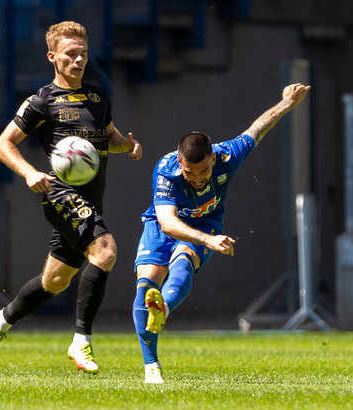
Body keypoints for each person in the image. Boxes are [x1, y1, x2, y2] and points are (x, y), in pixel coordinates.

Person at [0, 21, 142, 373]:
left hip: (91, 199)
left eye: (84, 53)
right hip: (60, 195)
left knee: (55, 281)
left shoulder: (98, 97)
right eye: (71, 54)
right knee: (105, 251)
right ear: (52, 56)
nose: (79, 60)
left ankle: (1, 323)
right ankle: (81, 342)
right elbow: (2, 144)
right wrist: (29, 173)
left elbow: (109, 139)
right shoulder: (41, 101)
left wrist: (127, 146)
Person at [132, 83, 311, 383]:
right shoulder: (166, 170)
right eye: (191, 173)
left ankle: (163, 306)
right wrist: (208, 240)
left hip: (205, 223)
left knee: (183, 261)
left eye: (204, 172)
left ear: (213, 159)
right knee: (146, 281)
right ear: (180, 163)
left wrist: (287, 104)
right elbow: (167, 223)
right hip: (165, 223)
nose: (198, 179)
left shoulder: (228, 155)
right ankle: (152, 366)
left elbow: (258, 129)